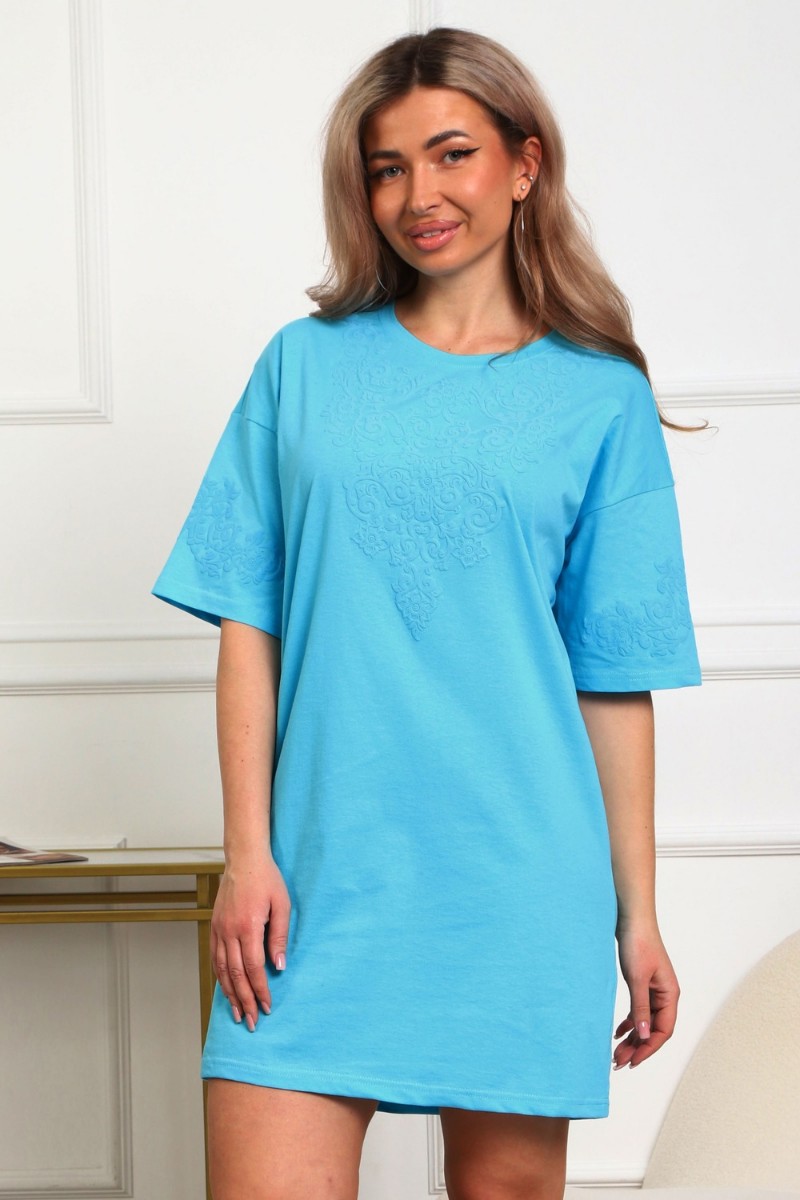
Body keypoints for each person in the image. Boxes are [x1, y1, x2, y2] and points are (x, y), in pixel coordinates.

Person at [152, 26, 703, 1200]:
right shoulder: (301, 367)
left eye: (451, 154)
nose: (418, 196)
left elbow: (610, 677)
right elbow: (248, 623)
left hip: (517, 886)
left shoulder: (599, 396)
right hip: (315, 882)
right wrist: (247, 856)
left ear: (523, 163)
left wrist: (637, 915)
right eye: (386, 168)